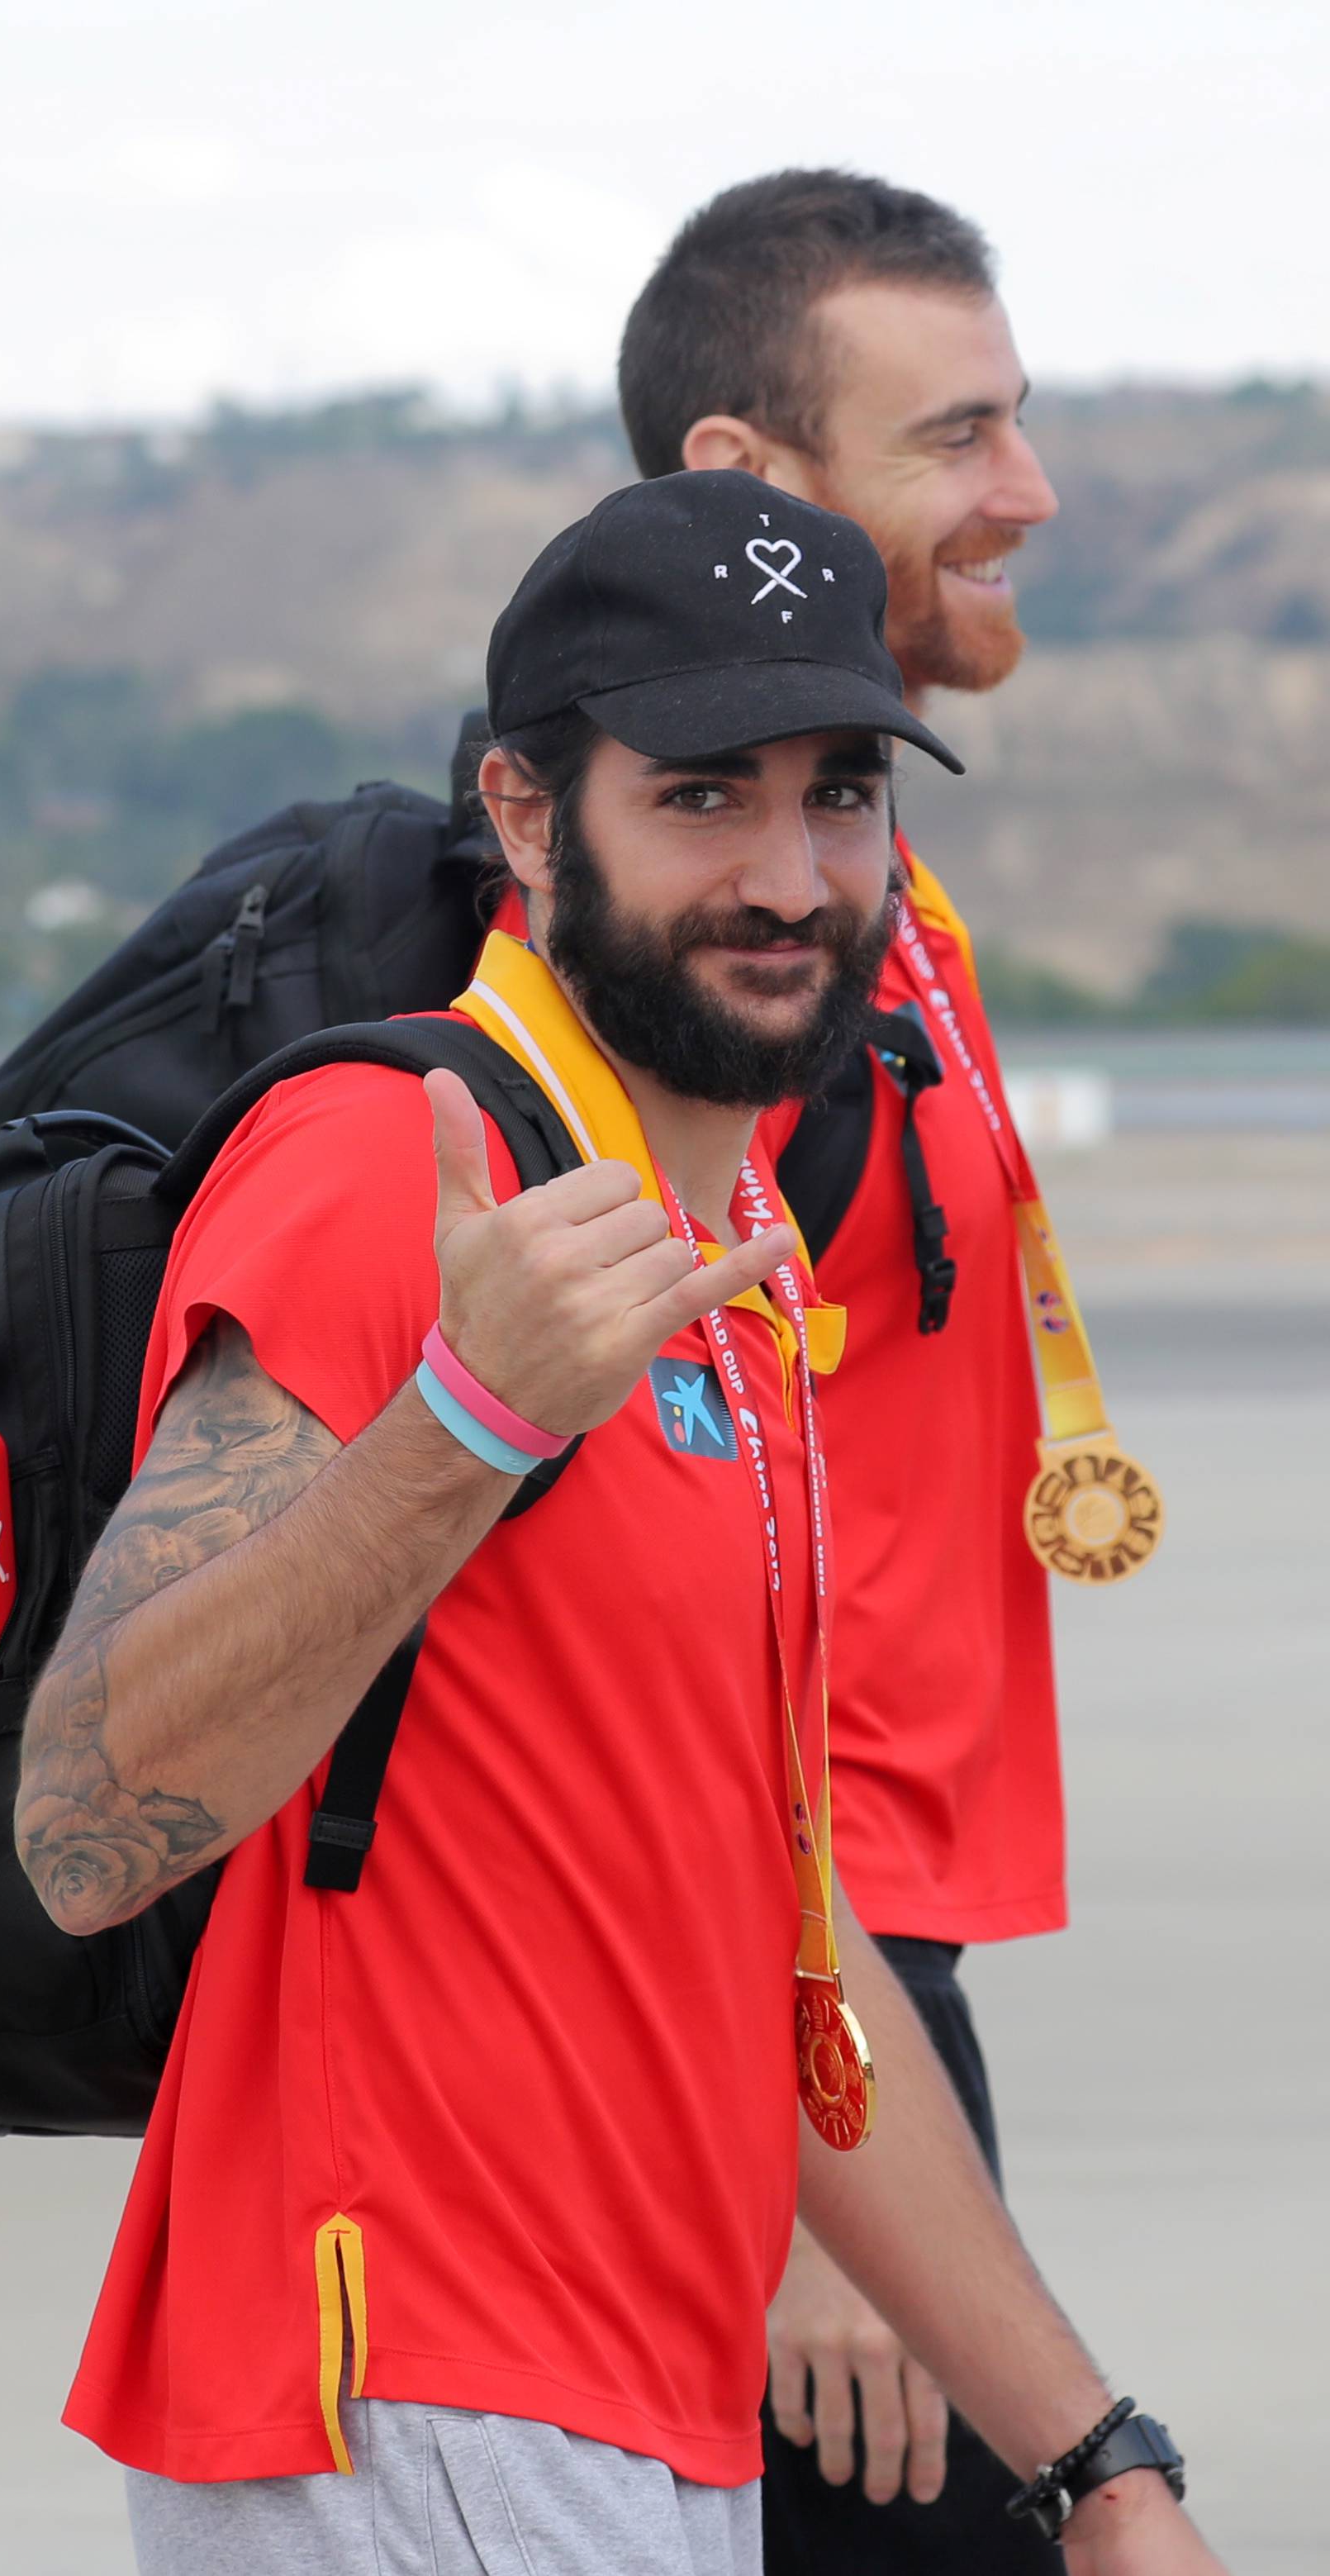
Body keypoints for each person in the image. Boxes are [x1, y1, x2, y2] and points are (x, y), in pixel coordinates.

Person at [16, 473, 1219, 2576]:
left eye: (839, 797)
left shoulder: (720, 1242)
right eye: (699, 798)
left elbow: (776, 1920)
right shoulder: (392, 1166)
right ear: (527, 809)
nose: (787, 874)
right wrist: (459, 1423)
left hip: (626, 2408)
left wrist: (1094, 2457)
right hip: (409, 2388)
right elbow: (88, 1807)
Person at [618, 170, 1098, 2570]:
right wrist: (792, 2183)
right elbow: (597, 1598)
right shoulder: (702, 947)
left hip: (862, 1963)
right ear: (749, 486)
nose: (1025, 491)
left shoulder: (874, 894)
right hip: (770, 2023)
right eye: (958, 437)